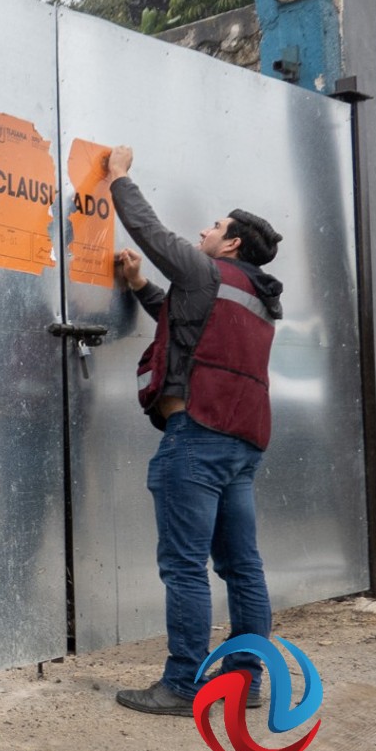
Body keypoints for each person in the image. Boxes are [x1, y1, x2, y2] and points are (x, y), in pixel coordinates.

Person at [104, 145, 285, 717]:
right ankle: (245, 681)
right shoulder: (256, 295)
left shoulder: (207, 272)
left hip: (197, 436)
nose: (204, 232)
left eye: (214, 227)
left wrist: (119, 178)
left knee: (185, 567)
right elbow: (189, 325)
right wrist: (140, 287)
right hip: (243, 443)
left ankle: (183, 685)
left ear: (230, 244)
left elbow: (151, 233)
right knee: (242, 568)